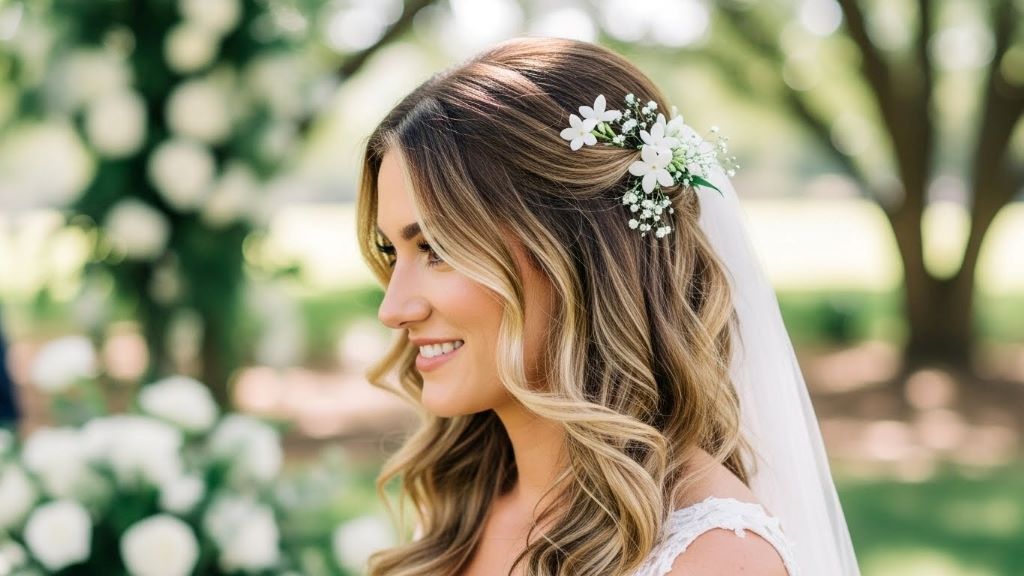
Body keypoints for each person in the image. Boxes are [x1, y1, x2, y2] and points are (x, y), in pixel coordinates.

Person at [356, 36, 860, 575]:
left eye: (437, 248)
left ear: (574, 252)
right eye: (393, 250)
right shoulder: (458, 508)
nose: (394, 307)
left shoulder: (713, 558)